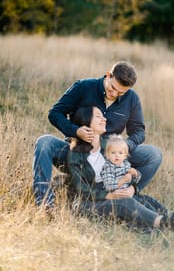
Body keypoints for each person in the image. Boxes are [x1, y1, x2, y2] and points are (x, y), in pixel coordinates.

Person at [33, 61, 162, 208]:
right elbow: (55, 113)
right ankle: (44, 203)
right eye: (112, 88)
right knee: (44, 142)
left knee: (154, 154)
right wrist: (75, 131)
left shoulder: (132, 99)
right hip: (76, 153)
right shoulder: (83, 87)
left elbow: (138, 131)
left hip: (109, 159)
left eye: (121, 93)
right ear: (108, 76)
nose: (114, 94)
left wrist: (126, 146)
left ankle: (129, 192)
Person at [66, 106, 174, 232]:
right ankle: (164, 223)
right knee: (125, 203)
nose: (104, 119)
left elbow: (123, 168)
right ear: (86, 123)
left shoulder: (107, 144)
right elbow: (81, 188)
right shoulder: (76, 154)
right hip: (89, 202)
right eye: (98, 117)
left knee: (142, 199)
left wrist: (131, 186)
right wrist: (108, 195)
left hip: (112, 190)